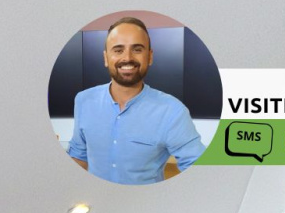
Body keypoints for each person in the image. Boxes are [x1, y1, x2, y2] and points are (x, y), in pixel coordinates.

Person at [67, 17, 203, 184]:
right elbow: (78, 156)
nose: (127, 58)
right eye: (118, 50)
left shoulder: (172, 111)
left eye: (137, 49)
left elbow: (199, 170)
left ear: (150, 57)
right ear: (106, 58)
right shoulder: (83, 100)